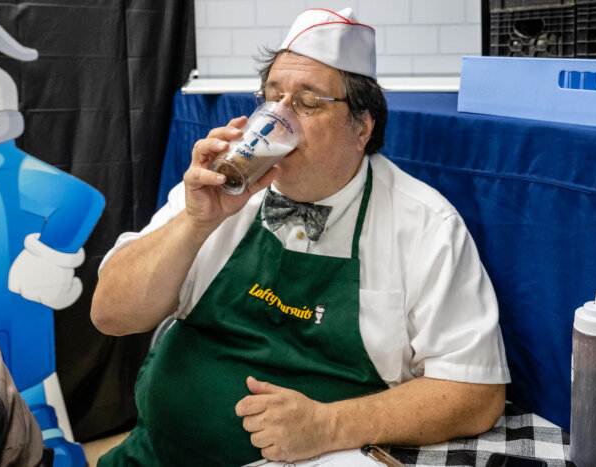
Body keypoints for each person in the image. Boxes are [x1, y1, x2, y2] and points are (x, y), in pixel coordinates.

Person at [91, 7, 510, 466]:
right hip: (153, 456)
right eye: (271, 98)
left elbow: (476, 390)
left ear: (362, 127)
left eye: (307, 104)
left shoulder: (425, 225)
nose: (275, 121)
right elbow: (111, 315)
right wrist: (195, 223)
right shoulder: (213, 194)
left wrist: (329, 425)